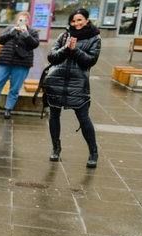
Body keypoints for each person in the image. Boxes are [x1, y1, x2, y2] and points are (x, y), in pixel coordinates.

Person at [42, 8, 101, 167]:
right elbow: (52, 57)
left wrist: (75, 50)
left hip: (77, 84)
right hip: (57, 81)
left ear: (87, 20)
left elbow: (90, 61)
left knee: (84, 118)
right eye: (74, 21)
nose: (76, 23)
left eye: (80, 20)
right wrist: (66, 48)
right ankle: (56, 148)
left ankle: (93, 152)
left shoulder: (94, 38)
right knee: (54, 115)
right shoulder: (65, 35)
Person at [0, 11, 39, 119]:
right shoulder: (10, 28)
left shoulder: (32, 31)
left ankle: (8, 109)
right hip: (5, 61)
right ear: (17, 20)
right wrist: (11, 33)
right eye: (20, 20)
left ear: (28, 21)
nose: (22, 22)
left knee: (15, 88)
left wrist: (26, 34)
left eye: (25, 20)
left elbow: (34, 44)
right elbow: (0, 39)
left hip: (22, 63)